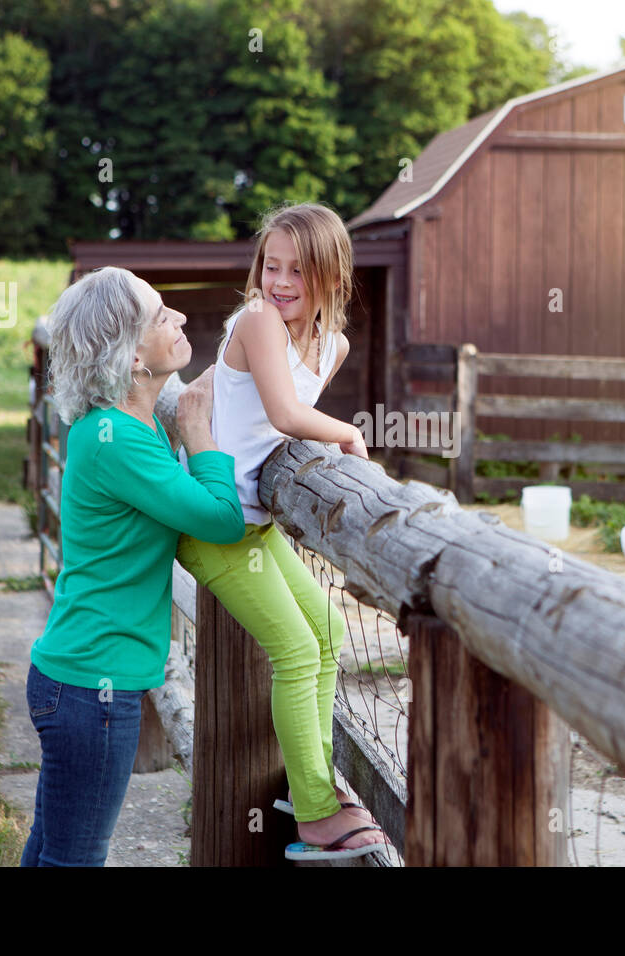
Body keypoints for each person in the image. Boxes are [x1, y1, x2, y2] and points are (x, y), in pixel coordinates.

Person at [174, 202, 389, 861]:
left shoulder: (333, 344)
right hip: (214, 525)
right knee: (297, 651)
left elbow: (270, 426)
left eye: (299, 269)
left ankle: (308, 782)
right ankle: (320, 816)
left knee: (325, 631)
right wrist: (351, 433)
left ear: (330, 275)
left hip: (256, 525)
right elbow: (286, 415)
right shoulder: (259, 319)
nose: (281, 281)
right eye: (272, 265)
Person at [21, 266, 246, 867]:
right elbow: (224, 519)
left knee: (51, 848)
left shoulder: (120, 427)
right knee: (74, 858)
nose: (177, 319)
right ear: (127, 352)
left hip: (75, 677)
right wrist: (199, 434)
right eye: (159, 315)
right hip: (93, 690)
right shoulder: (117, 439)